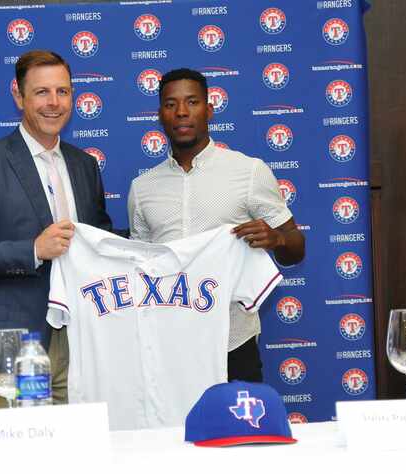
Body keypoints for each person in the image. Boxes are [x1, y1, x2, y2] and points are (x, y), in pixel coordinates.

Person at [0, 50, 112, 408]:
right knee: (10, 459)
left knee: (77, 453)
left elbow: (101, 241)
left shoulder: (85, 166)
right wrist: (33, 250)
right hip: (11, 343)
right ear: (18, 95)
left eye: (63, 92)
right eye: (41, 92)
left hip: (80, 342)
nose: (54, 103)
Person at [128, 68, 305, 383]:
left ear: (209, 110)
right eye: (171, 104)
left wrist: (276, 239)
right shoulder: (142, 188)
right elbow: (140, 268)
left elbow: (296, 247)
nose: (182, 111)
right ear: (160, 115)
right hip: (168, 346)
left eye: (192, 102)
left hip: (233, 344)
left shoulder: (249, 171)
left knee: (241, 433)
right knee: (170, 434)